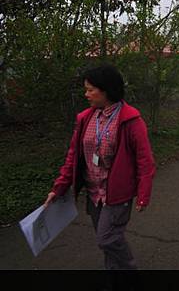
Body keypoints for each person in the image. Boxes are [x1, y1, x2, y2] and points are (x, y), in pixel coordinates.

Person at [44, 64, 156, 270]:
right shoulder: (86, 118)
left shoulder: (130, 119)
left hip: (116, 194)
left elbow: (145, 160)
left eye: (90, 89)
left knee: (107, 239)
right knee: (108, 241)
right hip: (94, 193)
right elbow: (72, 156)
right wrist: (58, 188)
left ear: (105, 90)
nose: (86, 94)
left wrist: (143, 193)